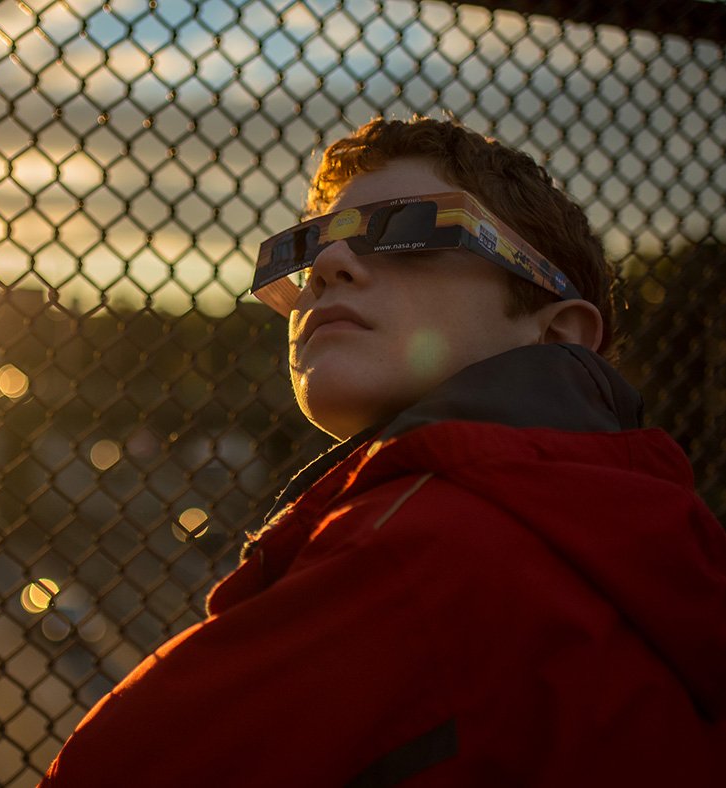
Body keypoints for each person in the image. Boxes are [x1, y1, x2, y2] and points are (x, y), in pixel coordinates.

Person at [40, 117, 726, 786]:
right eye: (308, 249)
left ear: (556, 336)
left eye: (408, 230)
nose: (328, 265)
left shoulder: (419, 542)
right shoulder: (652, 535)